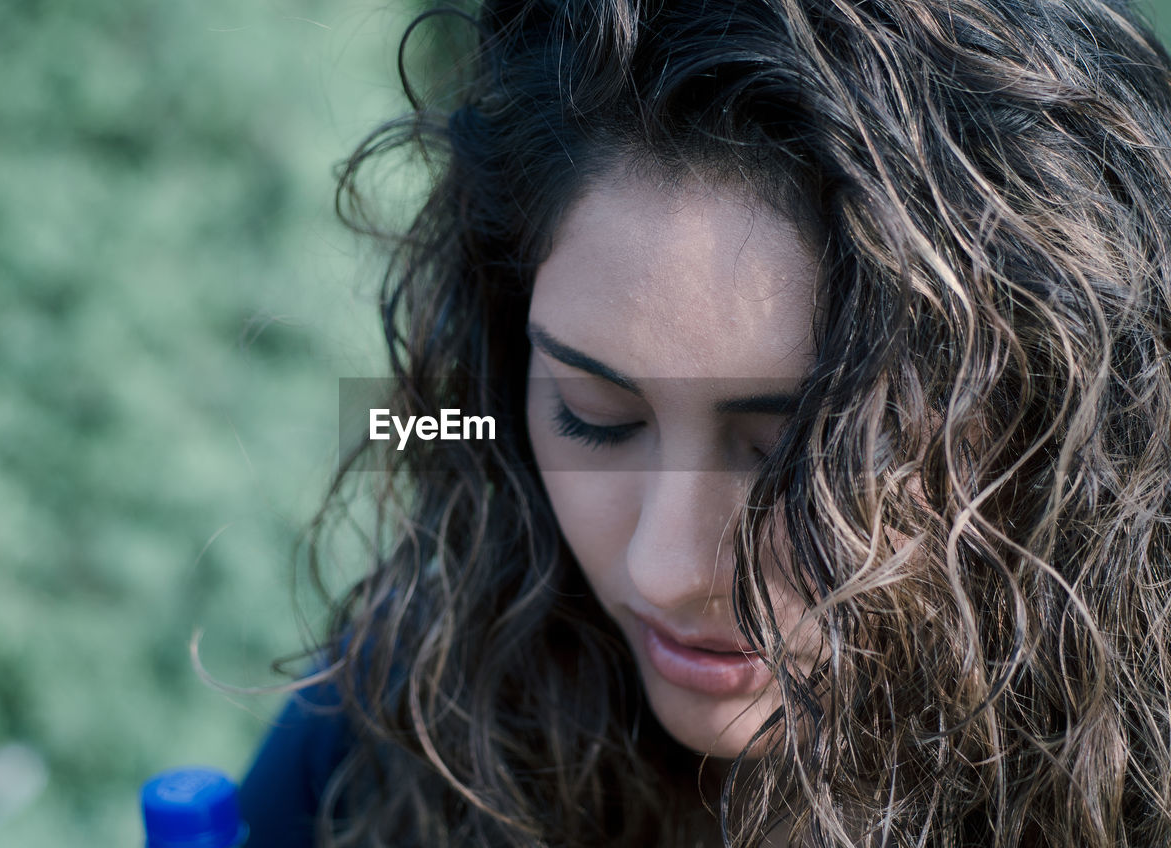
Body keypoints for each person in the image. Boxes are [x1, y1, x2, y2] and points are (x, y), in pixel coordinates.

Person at [237, 0, 1171, 845]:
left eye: (803, 453)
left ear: (1043, 422)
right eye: (594, 416)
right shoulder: (387, 734)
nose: (664, 570)